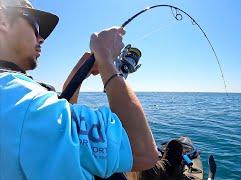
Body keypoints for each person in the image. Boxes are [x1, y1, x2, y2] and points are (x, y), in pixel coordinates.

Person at [0, 0, 159, 179]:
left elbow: (58, 128)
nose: (41, 38)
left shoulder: (15, 99)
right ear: (3, 22)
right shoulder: (26, 103)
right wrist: (105, 57)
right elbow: (141, 151)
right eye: (35, 26)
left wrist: (80, 72)